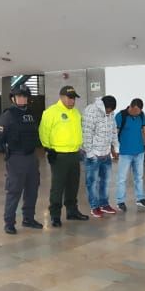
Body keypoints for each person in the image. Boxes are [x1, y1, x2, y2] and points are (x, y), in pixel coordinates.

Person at [0, 84, 43, 234]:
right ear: (13, 98)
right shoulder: (8, 115)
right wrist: (8, 152)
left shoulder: (31, 114)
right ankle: (9, 222)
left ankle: (28, 218)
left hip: (31, 157)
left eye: (25, 96)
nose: (22, 99)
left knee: (32, 189)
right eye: (19, 96)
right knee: (14, 191)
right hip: (16, 158)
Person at [39, 85, 87, 226]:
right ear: (61, 97)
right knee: (58, 186)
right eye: (69, 98)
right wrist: (49, 149)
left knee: (73, 185)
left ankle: (72, 211)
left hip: (74, 154)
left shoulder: (76, 113)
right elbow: (43, 132)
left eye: (74, 98)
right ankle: (55, 215)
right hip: (59, 155)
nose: (72, 101)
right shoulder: (51, 112)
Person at [82, 95, 119, 217]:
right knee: (92, 182)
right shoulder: (91, 111)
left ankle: (104, 204)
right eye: (109, 110)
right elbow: (86, 134)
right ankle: (94, 207)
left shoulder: (111, 113)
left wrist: (115, 147)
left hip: (106, 153)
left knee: (105, 181)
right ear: (104, 106)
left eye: (112, 111)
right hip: (93, 155)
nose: (110, 113)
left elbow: (113, 131)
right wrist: (90, 154)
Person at [113, 98, 145, 212]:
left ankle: (140, 199)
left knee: (139, 177)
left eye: (139, 112)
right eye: (135, 111)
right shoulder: (121, 116)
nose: (136, 114)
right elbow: (114, 133)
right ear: (130, 106)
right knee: (122, 178)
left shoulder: (141, 115)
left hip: (139, 152)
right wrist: (113, 149)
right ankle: (120, 201)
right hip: (125, 153)